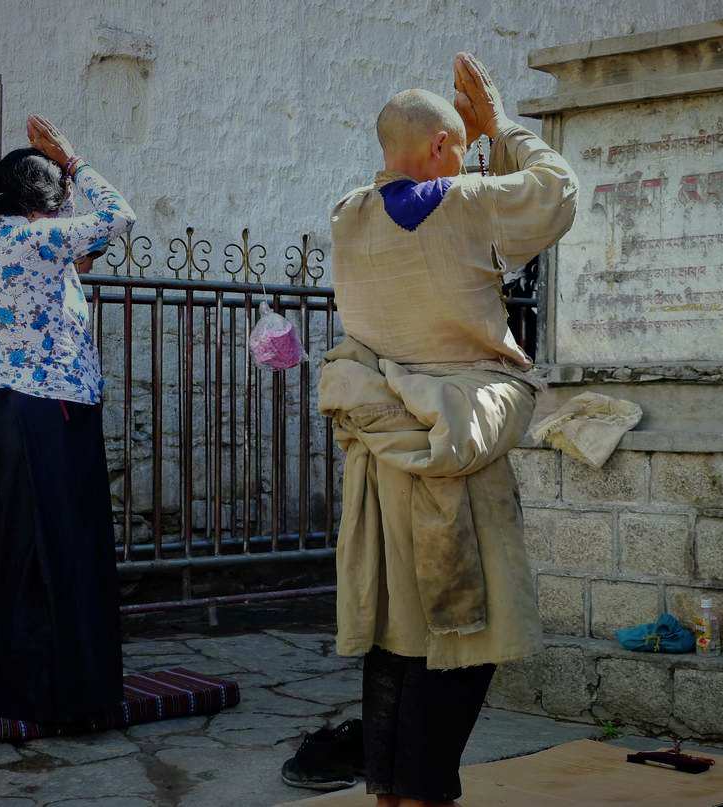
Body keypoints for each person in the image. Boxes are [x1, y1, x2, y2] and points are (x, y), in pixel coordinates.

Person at [308, 54, 578, 807]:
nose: (471, 156)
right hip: (457, 438)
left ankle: (389, 788)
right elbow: (559, 191)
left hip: (382, 448)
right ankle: (427, 792)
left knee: (398, 632)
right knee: (466, 632)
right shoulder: (468, 202)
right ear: (439, 147)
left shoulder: (347, 214)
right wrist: (500, 123)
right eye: (461, 145)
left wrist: (477, 148)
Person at [0, 115, 136, 723]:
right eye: (60, 200)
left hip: (5, 414)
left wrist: (68, 249)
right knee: (62, 546)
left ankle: (12, 684)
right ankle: (65, 689)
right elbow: (119, 217)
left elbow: (84, 248)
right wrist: (74, 160)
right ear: (45, 202)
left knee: (14, 554)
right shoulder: (36, 241)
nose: (67, 210)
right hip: (50, 414)